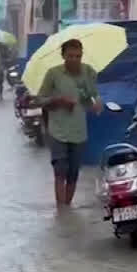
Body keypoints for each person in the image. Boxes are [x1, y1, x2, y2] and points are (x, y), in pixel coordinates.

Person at [35, 38, 103, 206]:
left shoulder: (88, 73)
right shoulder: (53, 74)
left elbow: (91, 96)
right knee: (60, 171)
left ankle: (67, 207)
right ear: (63, 56)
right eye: (70, 56)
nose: (74, 59)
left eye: (78, 56)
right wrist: (59, 100)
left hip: (79, 132)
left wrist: (97, 103)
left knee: (73, 173)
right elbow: (40, 100)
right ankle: (61, 212)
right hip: (57, 130)